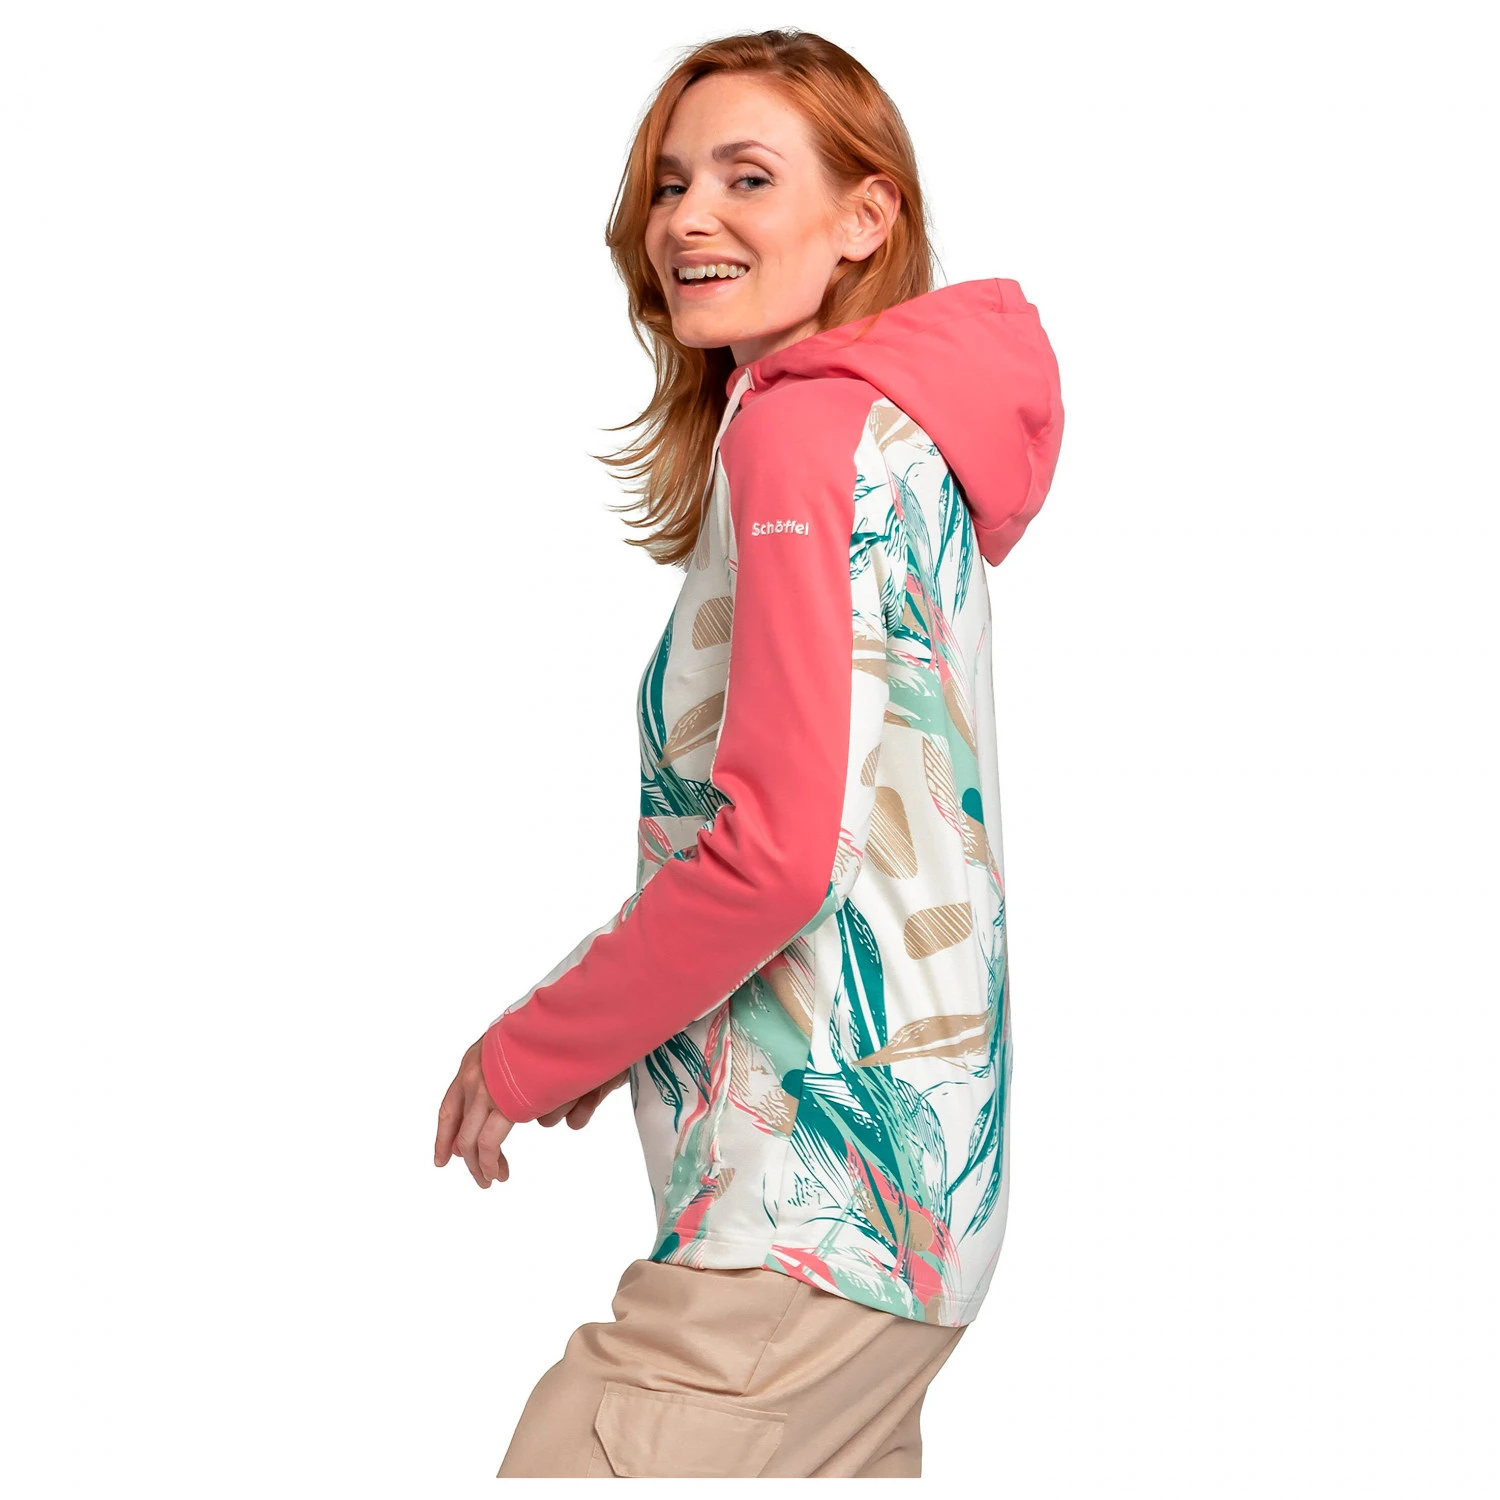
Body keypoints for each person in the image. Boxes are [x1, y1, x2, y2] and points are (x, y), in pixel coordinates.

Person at [433, 27, 1065, 1479]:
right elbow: (847, 838)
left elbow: (774, 859)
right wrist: (625, 1027)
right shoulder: (892, 440)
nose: (688, 219)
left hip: (807, 1211)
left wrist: (540, 1043)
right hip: (904, 1208)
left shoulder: (804, 440)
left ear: (864, 219)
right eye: (670, 184)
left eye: (747, 177)